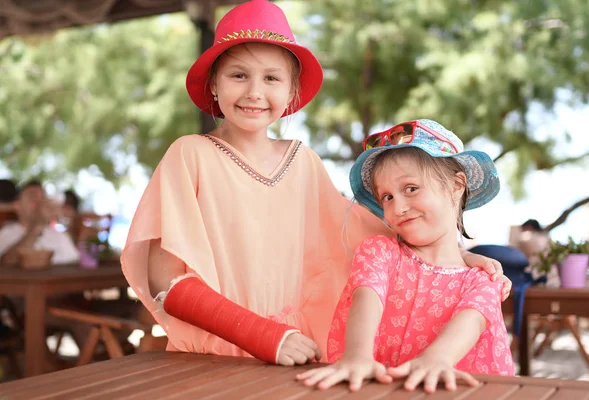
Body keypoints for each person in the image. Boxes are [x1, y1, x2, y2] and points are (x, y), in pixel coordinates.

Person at [121, 1, 507, 367]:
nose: (255, 91)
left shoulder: (302, 161)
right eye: (239, 75)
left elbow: (375, 236)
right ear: (215, 86)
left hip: (298, 352)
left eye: (271, 78)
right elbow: (166, 282)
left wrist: (460, 260)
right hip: (213, 356)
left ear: (290, 93)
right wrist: (263, 335)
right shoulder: (190, 154)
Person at [298, 120, 514, 393]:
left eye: (411, 188)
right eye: (387, 197)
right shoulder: (380, 253)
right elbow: (366, 297)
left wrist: (435, 360)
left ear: (457, 184)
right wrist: (358, 356)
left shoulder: (482, 279)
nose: (398, 207)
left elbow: (471, 320)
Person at [0, 180, 79, 265]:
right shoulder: (7, 232)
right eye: (33, 197)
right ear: (17, 206)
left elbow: (75, 264)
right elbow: (6, 263)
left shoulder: (58, 235)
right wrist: (37, 226)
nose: (40, 203)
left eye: (43, 198)